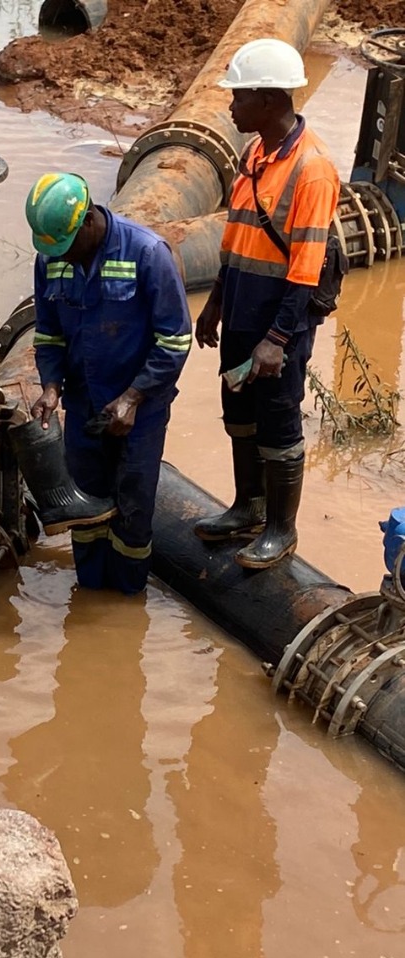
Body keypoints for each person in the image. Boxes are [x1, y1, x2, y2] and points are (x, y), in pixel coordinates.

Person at [194, 38, 340, 569]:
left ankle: (282, 529)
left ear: (271, 101)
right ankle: (246, 508)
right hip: (241, 313)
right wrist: (213, 306)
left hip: (280, 324)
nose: (232, 105)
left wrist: (277, 340)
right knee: (240, 416)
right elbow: (234, 239)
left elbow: (304, 268)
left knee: (278, 425)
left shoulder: (312, 170)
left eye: (240, 96)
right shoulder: (255, 155)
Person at [23, 172, 191, 595]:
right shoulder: (51, 261)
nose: (62, 257)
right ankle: (91, 597)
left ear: (89, 223)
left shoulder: (147, 253)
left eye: (67, 246)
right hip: (83, 408)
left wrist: (133, 398)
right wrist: (51, 386)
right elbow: (48, 335)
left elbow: (176, 339)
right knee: (85, 508)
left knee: (133, 508)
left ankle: (126, 601)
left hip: (141, 410)